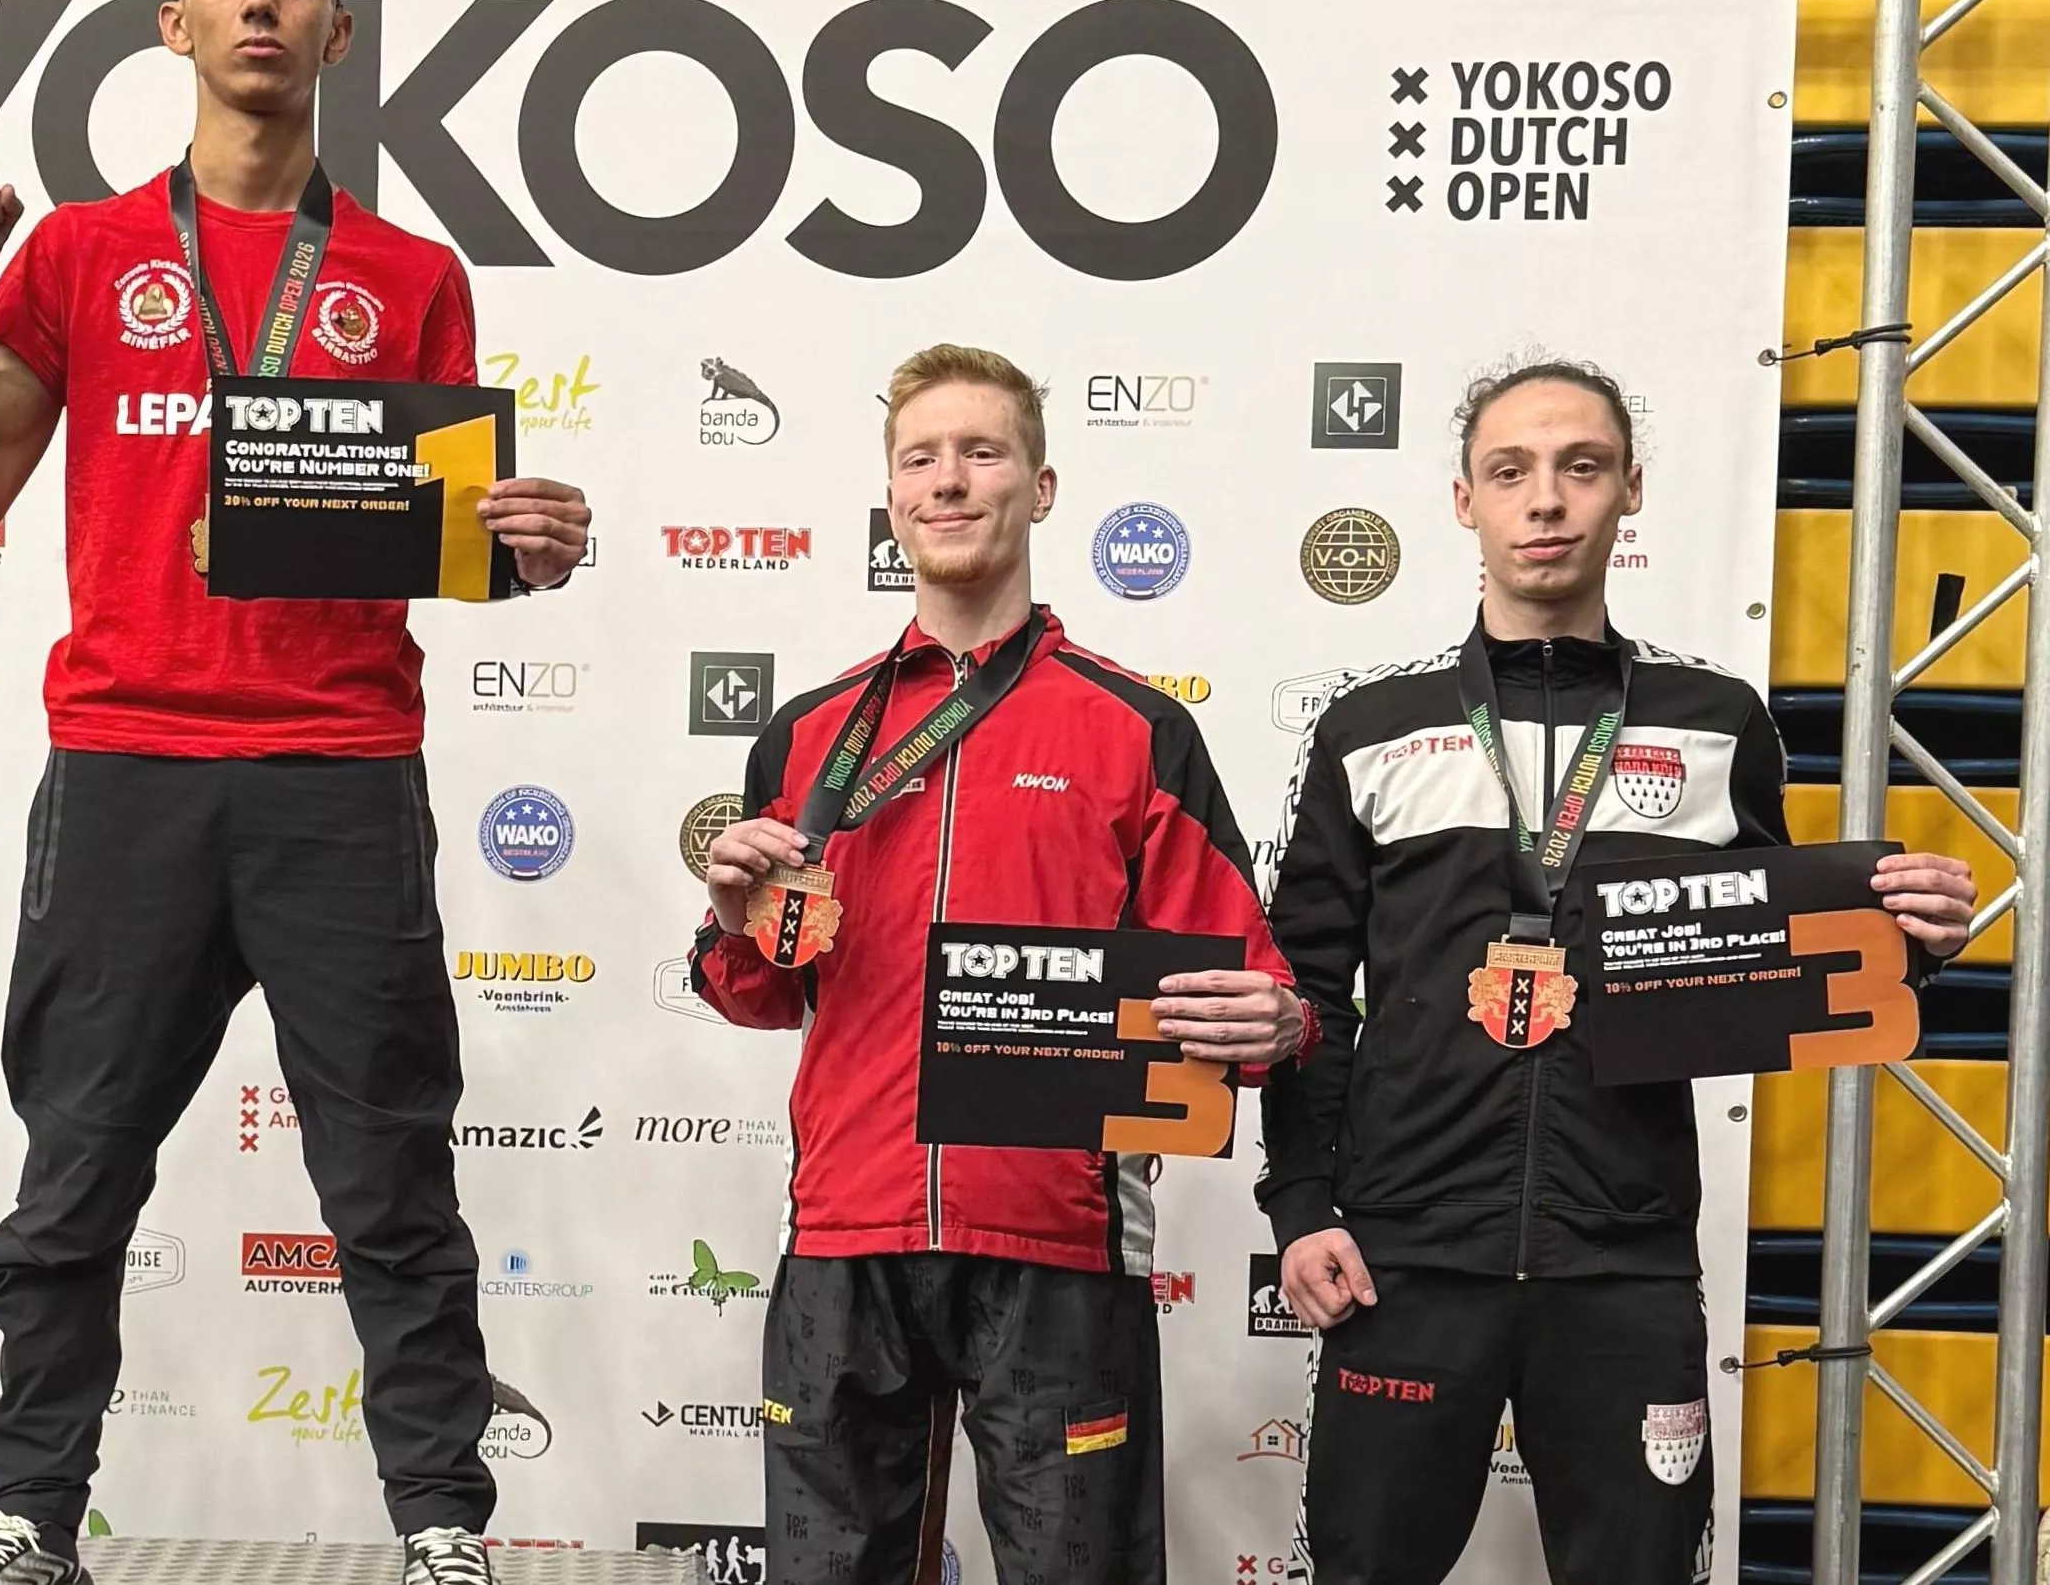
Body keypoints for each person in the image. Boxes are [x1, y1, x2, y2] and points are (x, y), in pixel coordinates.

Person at [0, 0, 593, 1585]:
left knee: (388, 1180)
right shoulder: (74, 251)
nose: (263, 1)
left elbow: (421, 539)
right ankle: (25, 1514)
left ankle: (441, 1524)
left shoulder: (409, 272)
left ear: (337, 29)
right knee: (74, 1170)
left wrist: (530, 555)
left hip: (339, 771)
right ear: (174, 21)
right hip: (129, 767)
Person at [1258, 359, 1980, 1585]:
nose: (1546, 500)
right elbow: (1304, 999)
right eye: (1512, 471)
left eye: (1581, 467)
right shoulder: (1371, 730)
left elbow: (1766, 959)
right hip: (1406, 1255)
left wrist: (1900, 944)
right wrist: (1304, 1206)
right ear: (1463, 501)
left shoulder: (1717, 721)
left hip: (1626, 1260)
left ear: (1629, 490)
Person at [691, 344, 1310, 1585]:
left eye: (982, 452)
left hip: (1059, 1237)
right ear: (891, 497)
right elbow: (759, 991)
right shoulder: (809, 734)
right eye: (921, 457)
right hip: (846, 1233)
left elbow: (1251, 981)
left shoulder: (1137, 728)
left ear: (1041, 486)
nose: (950, 479)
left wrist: (1278, 1024)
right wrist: (731, 915)